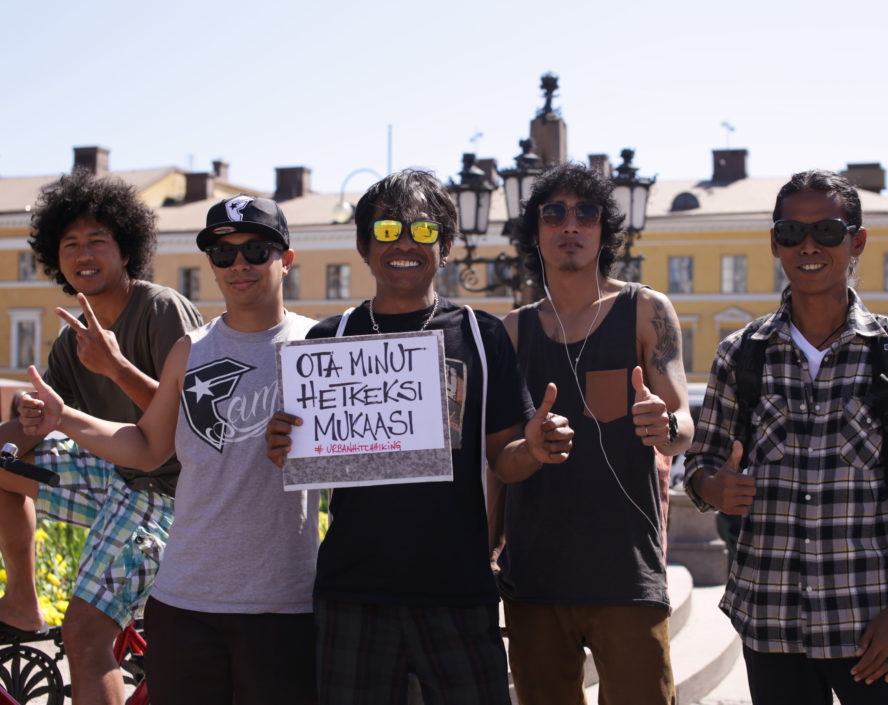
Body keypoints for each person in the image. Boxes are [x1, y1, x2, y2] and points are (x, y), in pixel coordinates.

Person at [265, 169, 572, 705]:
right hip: (352, 592)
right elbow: (301, 453)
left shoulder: (481, 335)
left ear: (446, 245)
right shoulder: (327, 340)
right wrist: (281, 444)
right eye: (387, 231)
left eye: (423, 231)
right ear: (364, 245)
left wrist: (537, 450)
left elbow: (504, 459)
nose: (404, 243)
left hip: (458, 590)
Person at [19, 195, 320, 704]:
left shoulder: (319, 347)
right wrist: (63, 418)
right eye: (223, 255)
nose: (239, 265)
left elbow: (362, 460)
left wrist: (308, 449)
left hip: (283, 603)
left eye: (256, 250)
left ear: (286, 260)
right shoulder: (191, 349)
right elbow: (147, 446)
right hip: (184, 603)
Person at [681, 169, 888, 704]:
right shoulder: (741, 354)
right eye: (791, 232)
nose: (809, 246)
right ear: (774, 243)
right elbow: (699, 465)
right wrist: (714, 488)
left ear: (857, 242)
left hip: (869, 620)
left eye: (827, 232)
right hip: (771, 621)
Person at [0, 171, 203, 705]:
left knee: (86, 634)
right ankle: (21, 602)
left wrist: (114, 367)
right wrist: (25, 418)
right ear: (54, 257)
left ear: (125, 250)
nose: (83, 254)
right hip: (115, 480)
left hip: (171, 496)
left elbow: (193, 424)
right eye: (70, 245)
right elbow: (47, 424)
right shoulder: (72, 342)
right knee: (4, 463)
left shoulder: (161, 309)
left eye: (97, 241)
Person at [497, 162, 695, 705]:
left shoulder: (646, 310)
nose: (570, 224)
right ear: (534, 232)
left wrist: (665, 424)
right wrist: (531, 450)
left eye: (585, 212)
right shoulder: (512, 333)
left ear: (604, 228)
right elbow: (500, 464)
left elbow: (683, 427)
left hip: (626, 576)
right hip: (535, 581)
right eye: (553, 213)